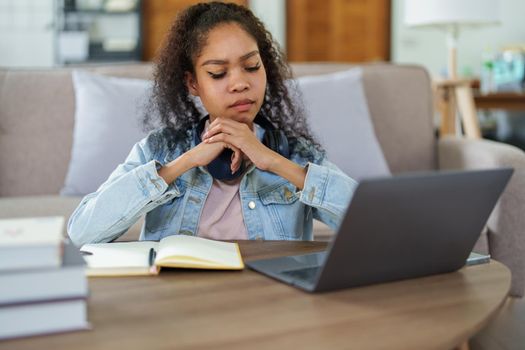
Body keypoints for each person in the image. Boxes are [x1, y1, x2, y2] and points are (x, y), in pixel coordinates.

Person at [68, 2, 357, 247]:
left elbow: (374, 223)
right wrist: (182, 164)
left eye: (252, 66)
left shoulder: (295, 154)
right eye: (218, 73)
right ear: (193, 83)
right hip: (182, 299)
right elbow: (82, 233)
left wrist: (274, 162)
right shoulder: (160, 150)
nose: (240, 83)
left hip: (271, 302)